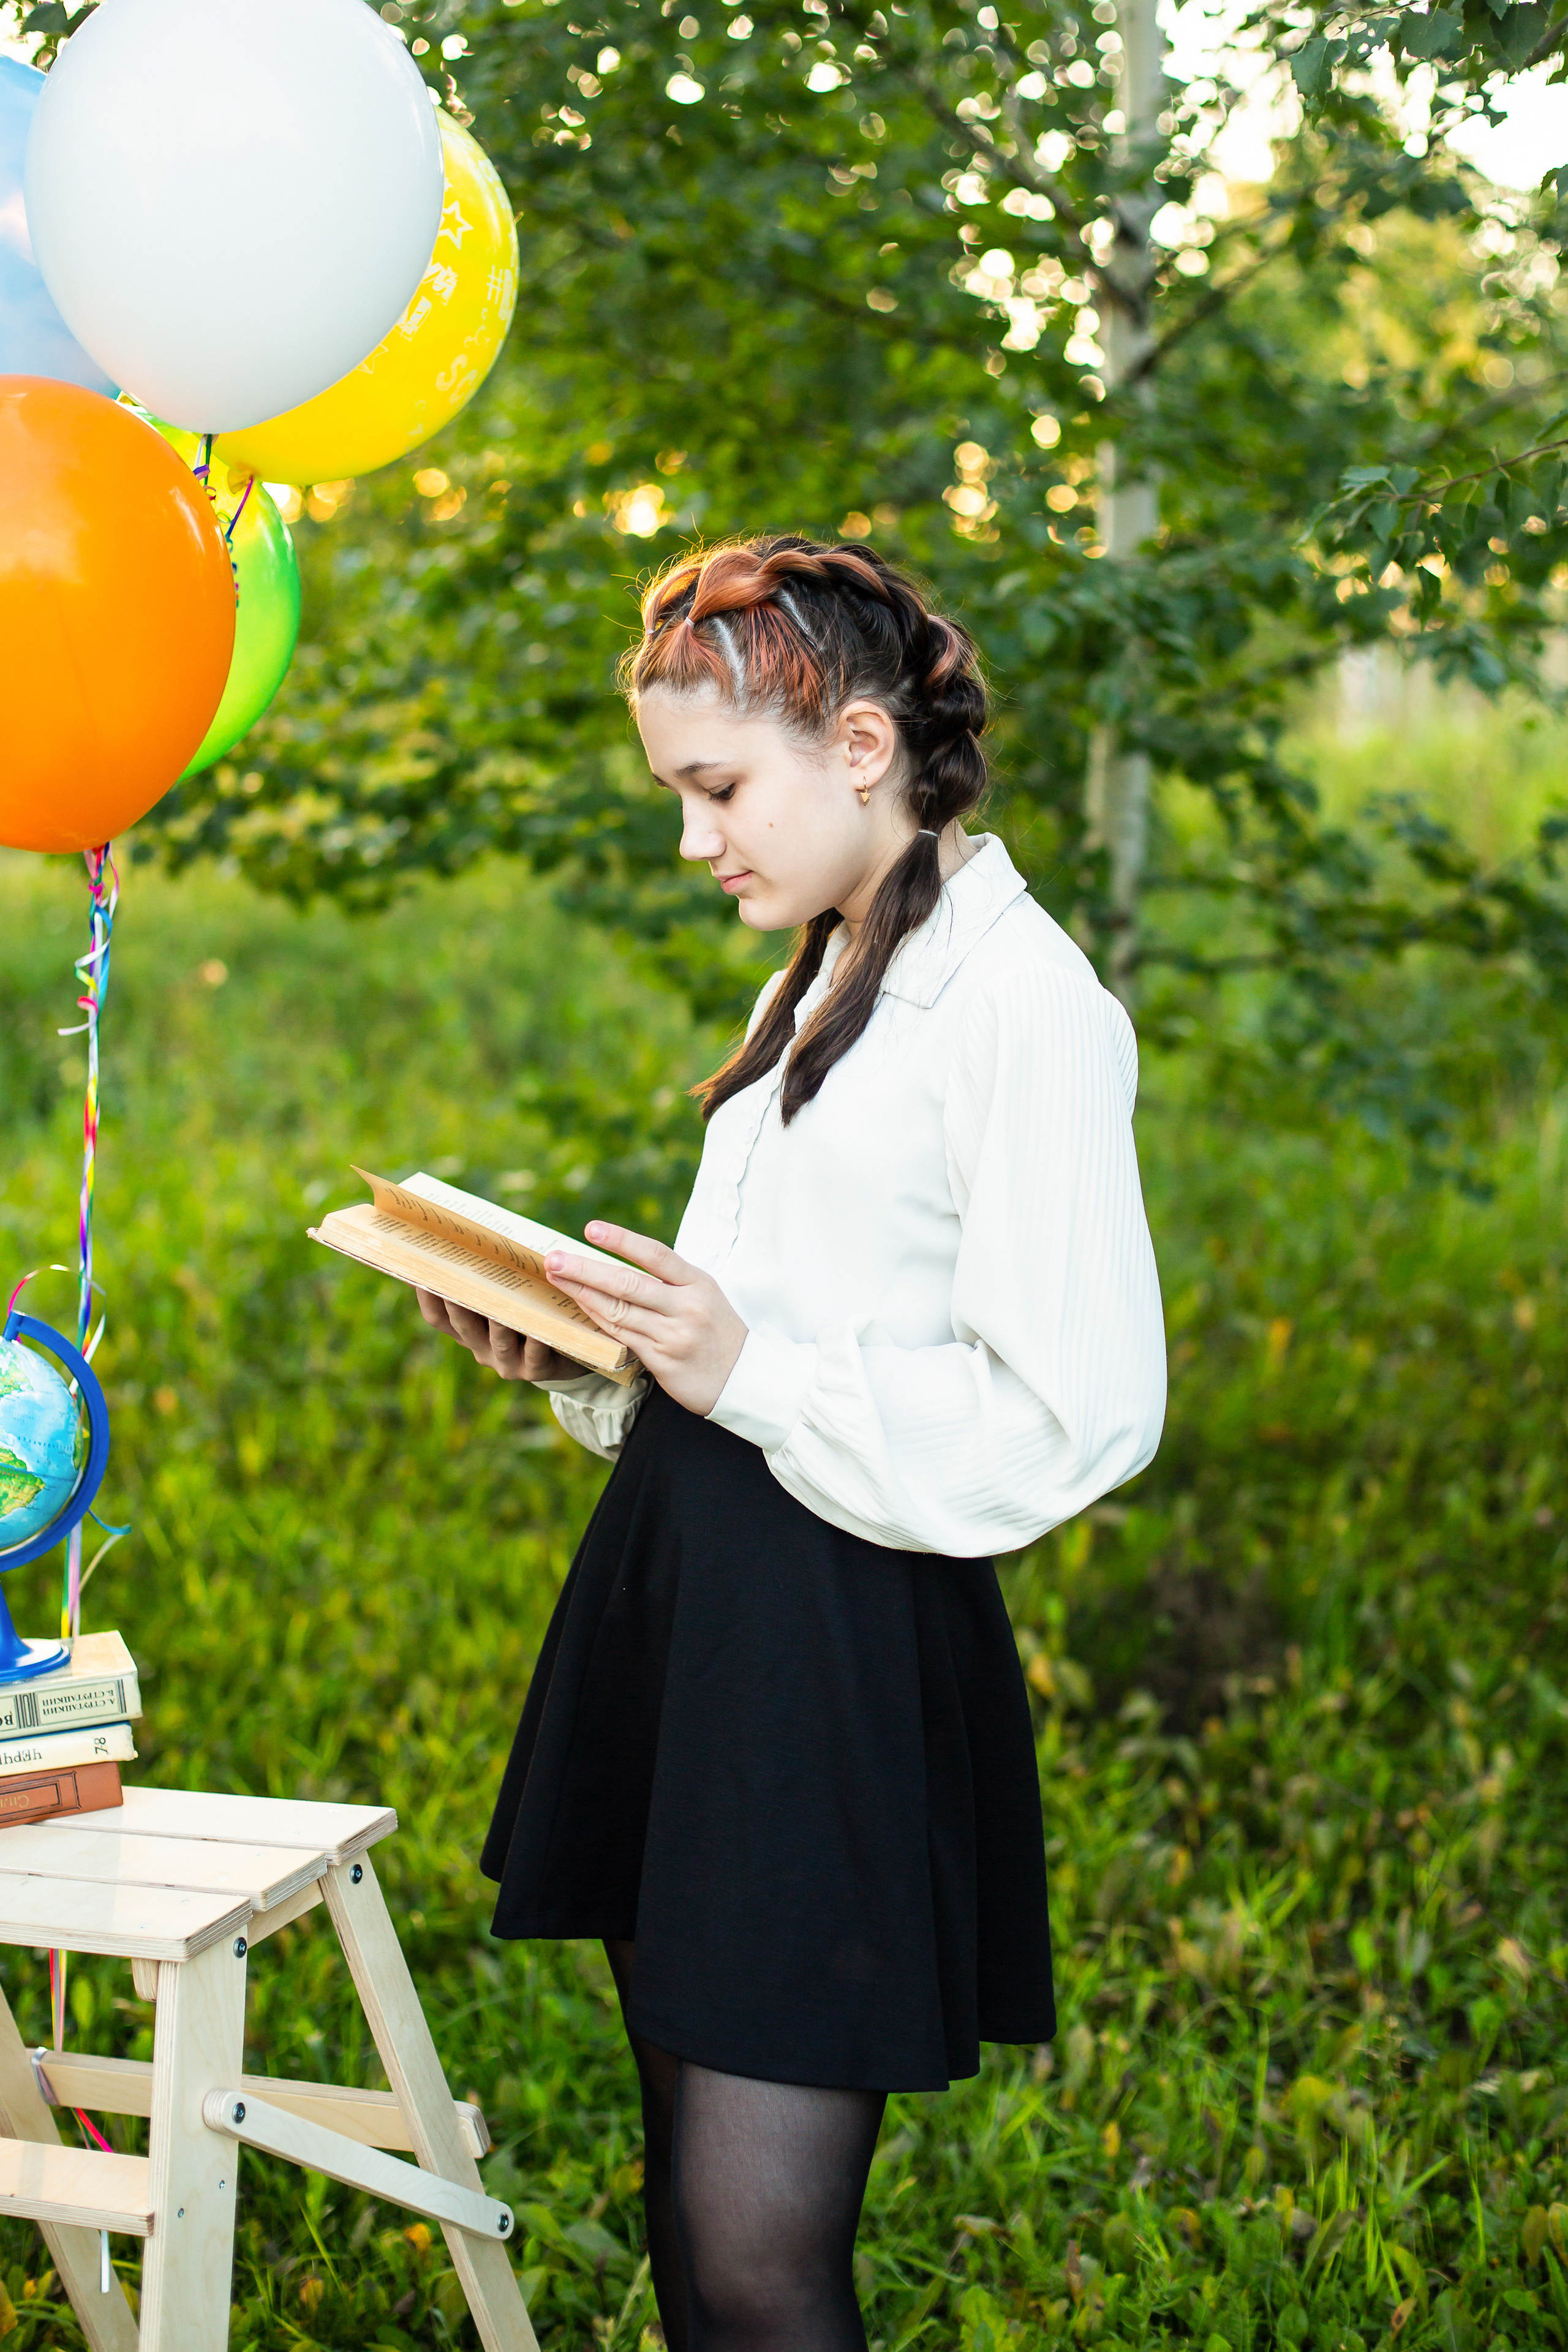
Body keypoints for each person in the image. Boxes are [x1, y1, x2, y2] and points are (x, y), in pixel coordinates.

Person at [415, 535, 1166, 2352]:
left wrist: (740, 1366)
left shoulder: (1022, 1003)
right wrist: (588, 1362)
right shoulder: (825, 962)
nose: (699, 841)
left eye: (717, 789)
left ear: (856, 748)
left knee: (759, 2256)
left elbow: (1078, 1410)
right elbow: (770, 1342)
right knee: (684, 2195)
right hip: (697, 1605)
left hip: (830, 1647)